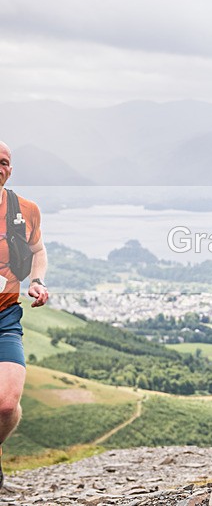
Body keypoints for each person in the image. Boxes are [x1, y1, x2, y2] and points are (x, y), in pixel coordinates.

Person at [0, 141, 49, 489]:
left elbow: (38, 249)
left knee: (5, 405)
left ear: (10, 169)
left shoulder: (25, 209)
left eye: (3, 162)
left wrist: (37, 280)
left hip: (5, 316)